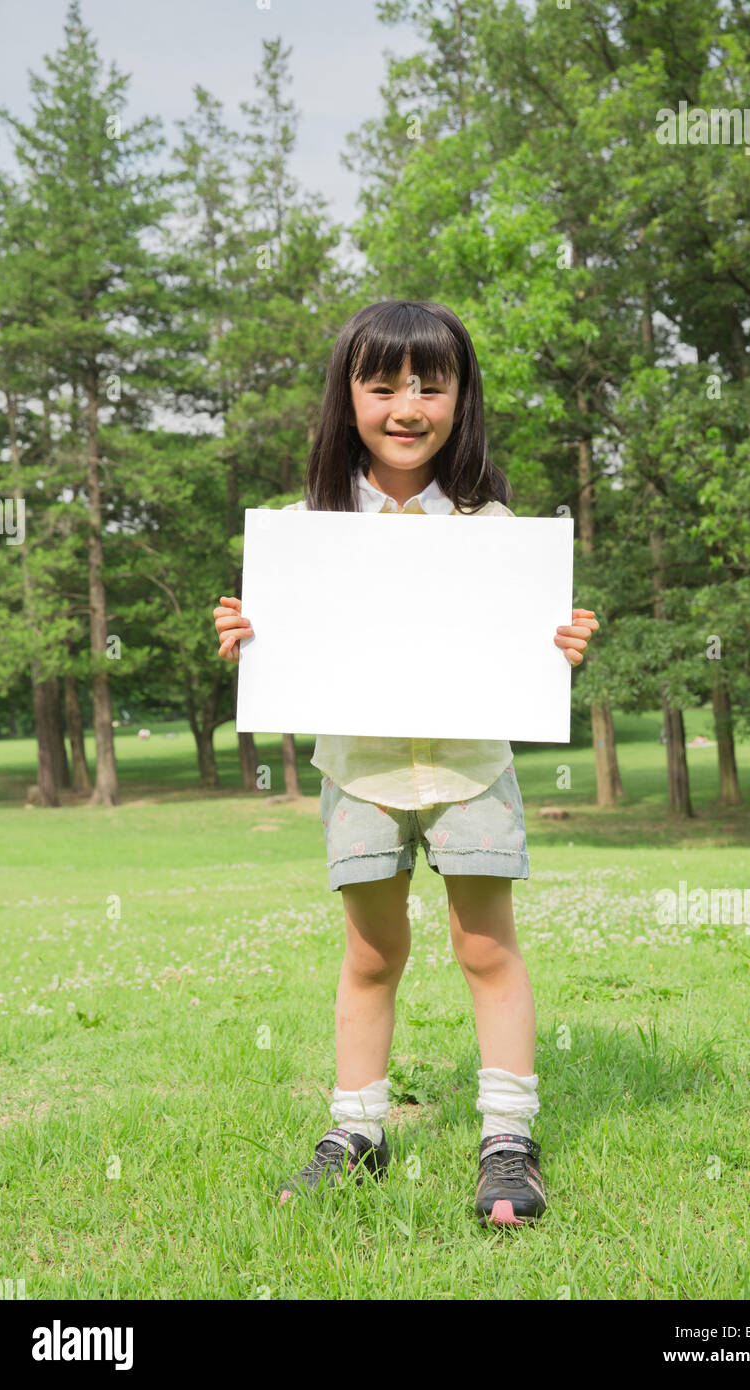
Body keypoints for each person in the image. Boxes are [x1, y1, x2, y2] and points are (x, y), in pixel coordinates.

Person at [213, 300, 599, 1228]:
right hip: (362, 775)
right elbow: (287, 640)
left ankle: (508, 1136)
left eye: (431, 384)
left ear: (461, 399)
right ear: (347, 398)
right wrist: (247, 634)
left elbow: (524, 639)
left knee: (485, 945)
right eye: (382, 384)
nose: (407, 405)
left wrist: (562, 640)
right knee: (373, 953)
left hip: (471, 769)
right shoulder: (310, 530)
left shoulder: (492, 524)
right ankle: (360, 1133)